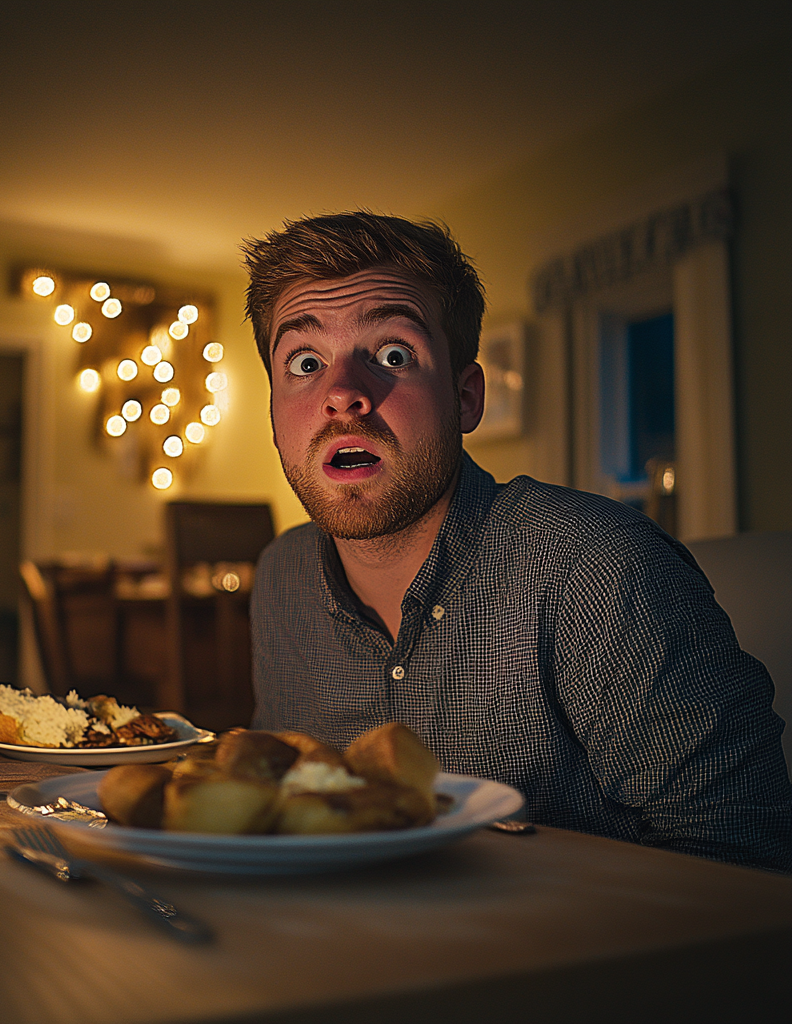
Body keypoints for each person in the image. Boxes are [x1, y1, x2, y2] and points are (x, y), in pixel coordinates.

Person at [242, 211, 791, 872]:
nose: (343, 395)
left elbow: (742, 864)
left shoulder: (597, 567)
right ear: (275, 417)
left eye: (392, 354)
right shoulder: (280, 577)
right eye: (305, 362)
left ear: (465, 397)